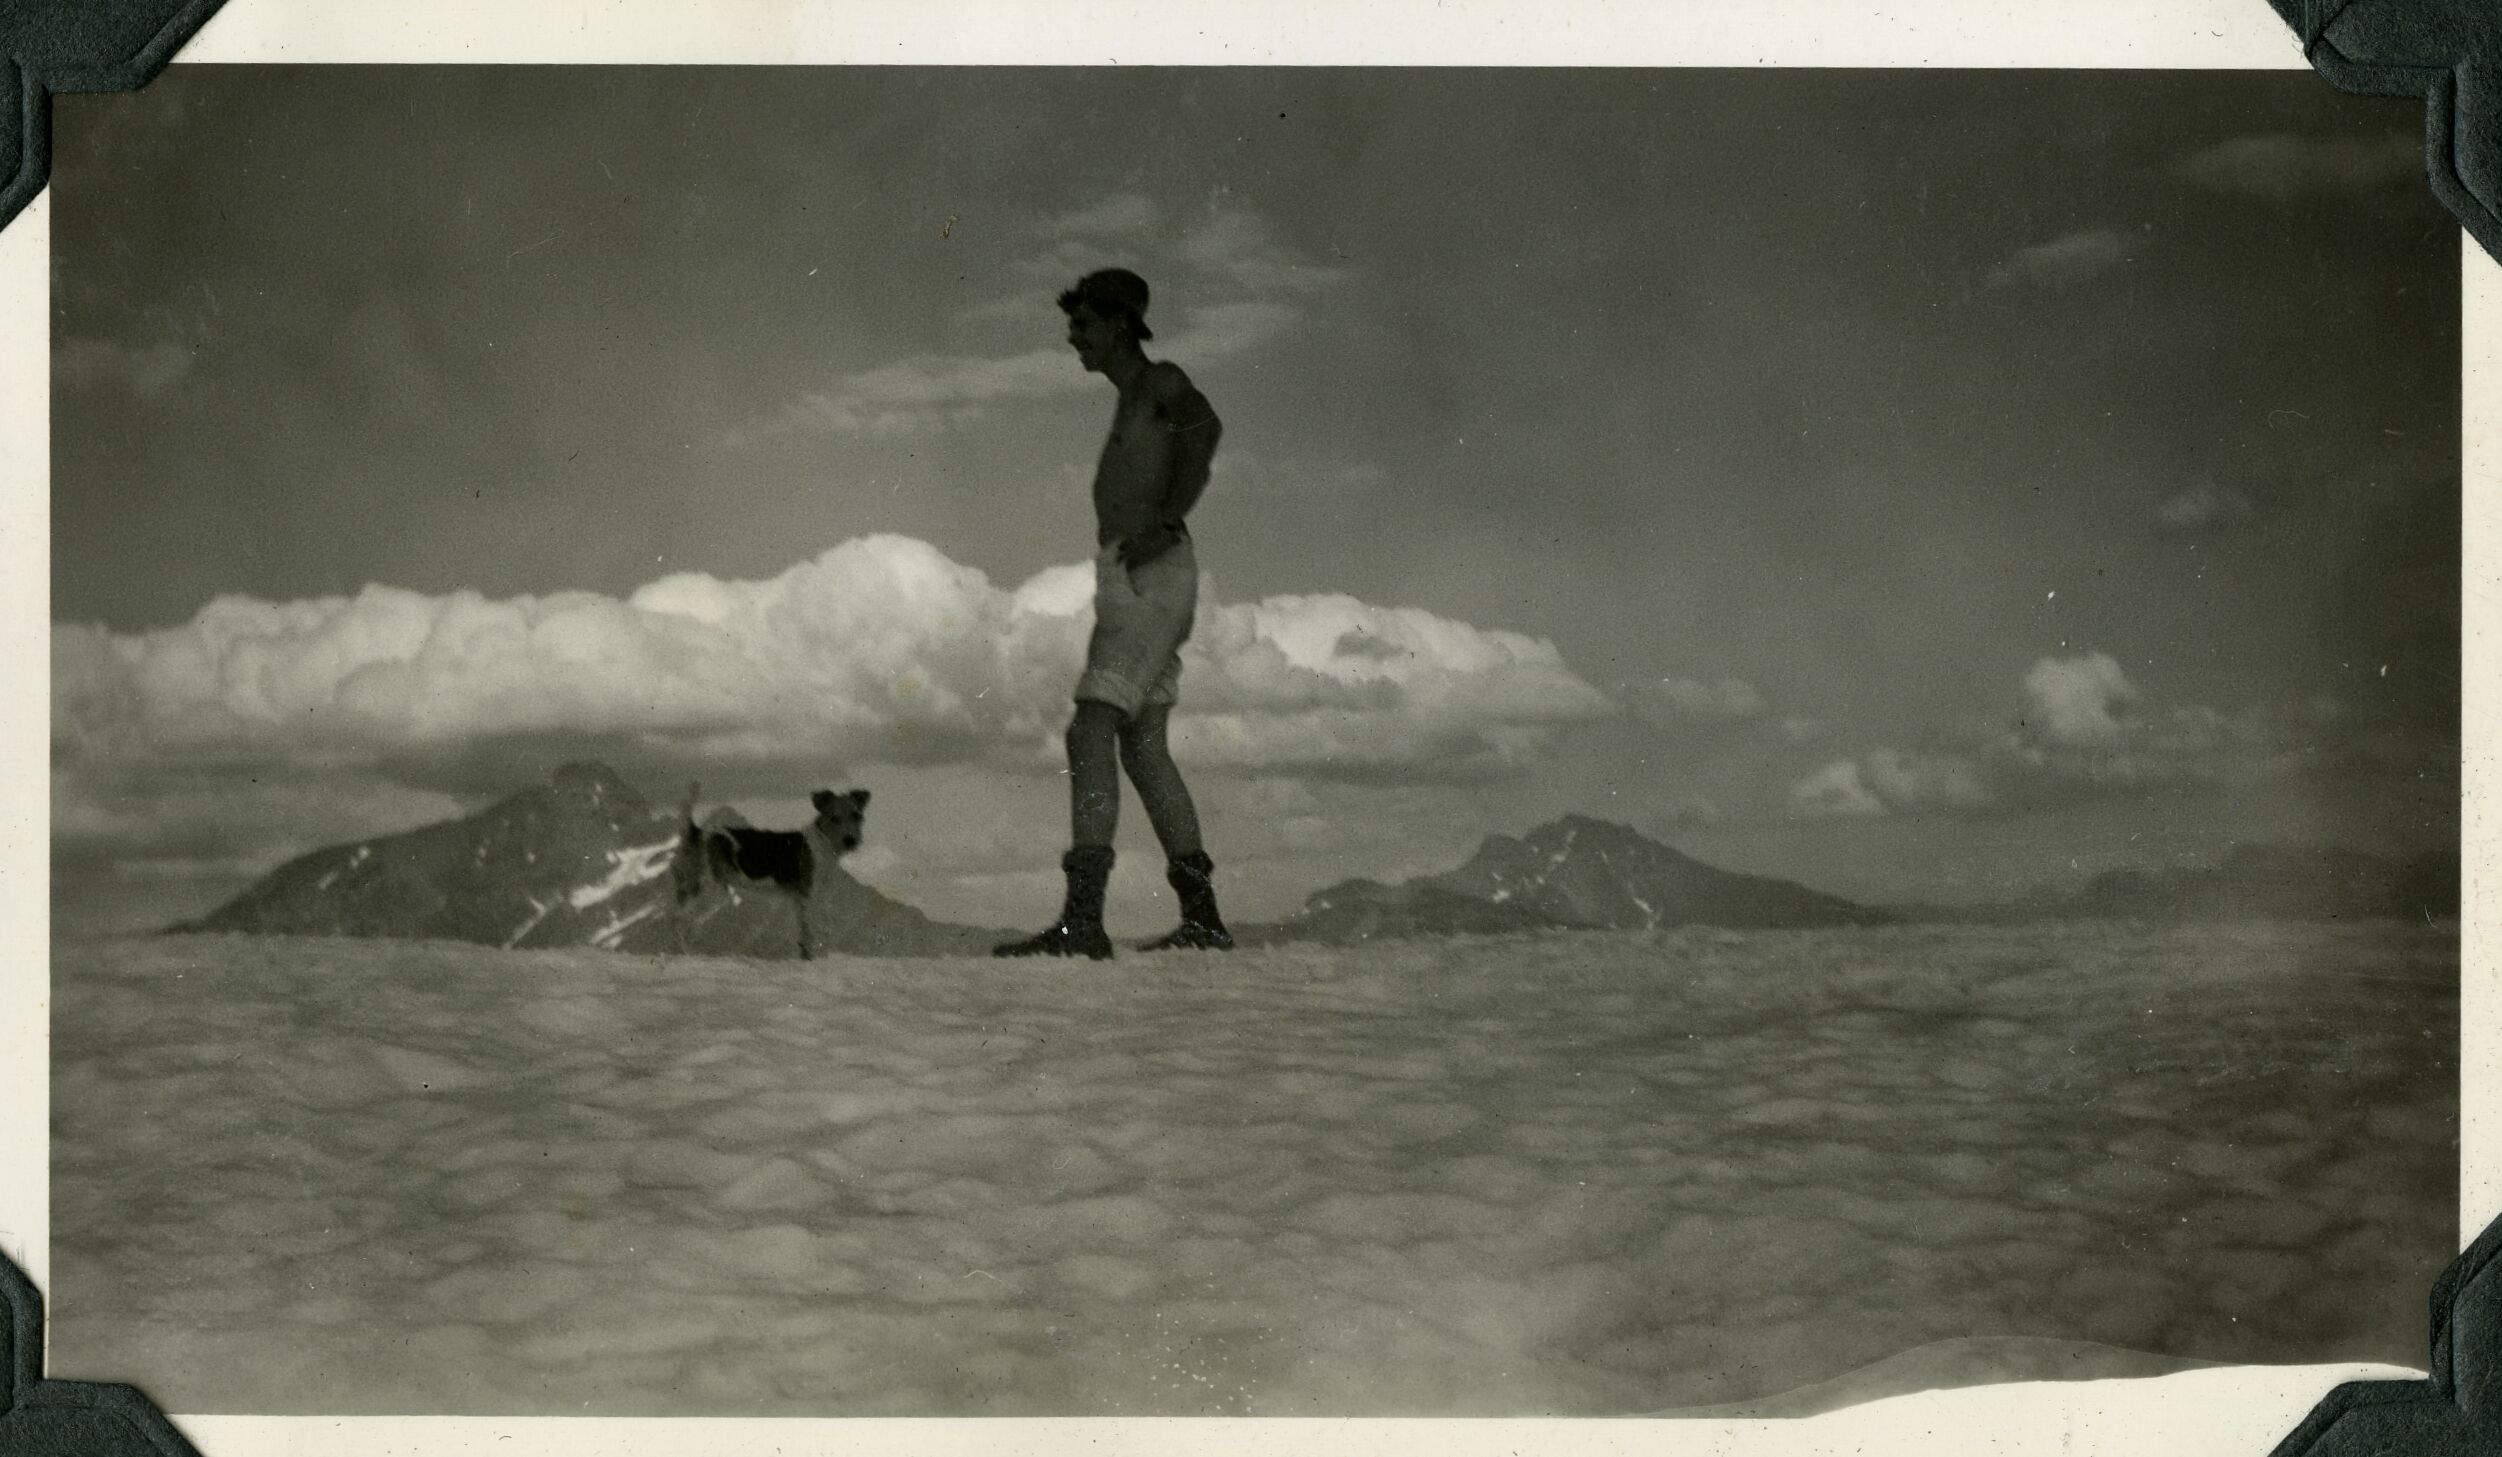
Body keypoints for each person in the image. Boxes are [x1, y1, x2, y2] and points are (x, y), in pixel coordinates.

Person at [995, 268, 1234, 960]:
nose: (1074, 336)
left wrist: (1166, 517)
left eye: (1084, 323)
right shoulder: (1131, 395)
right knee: (1144, 744)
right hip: (1135, 572)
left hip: (1151, 572)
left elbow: (1205, 426)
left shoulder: (1158, 382)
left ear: (1120, 324)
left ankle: (1083, 923)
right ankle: (1203, 918)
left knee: (1091, 727)